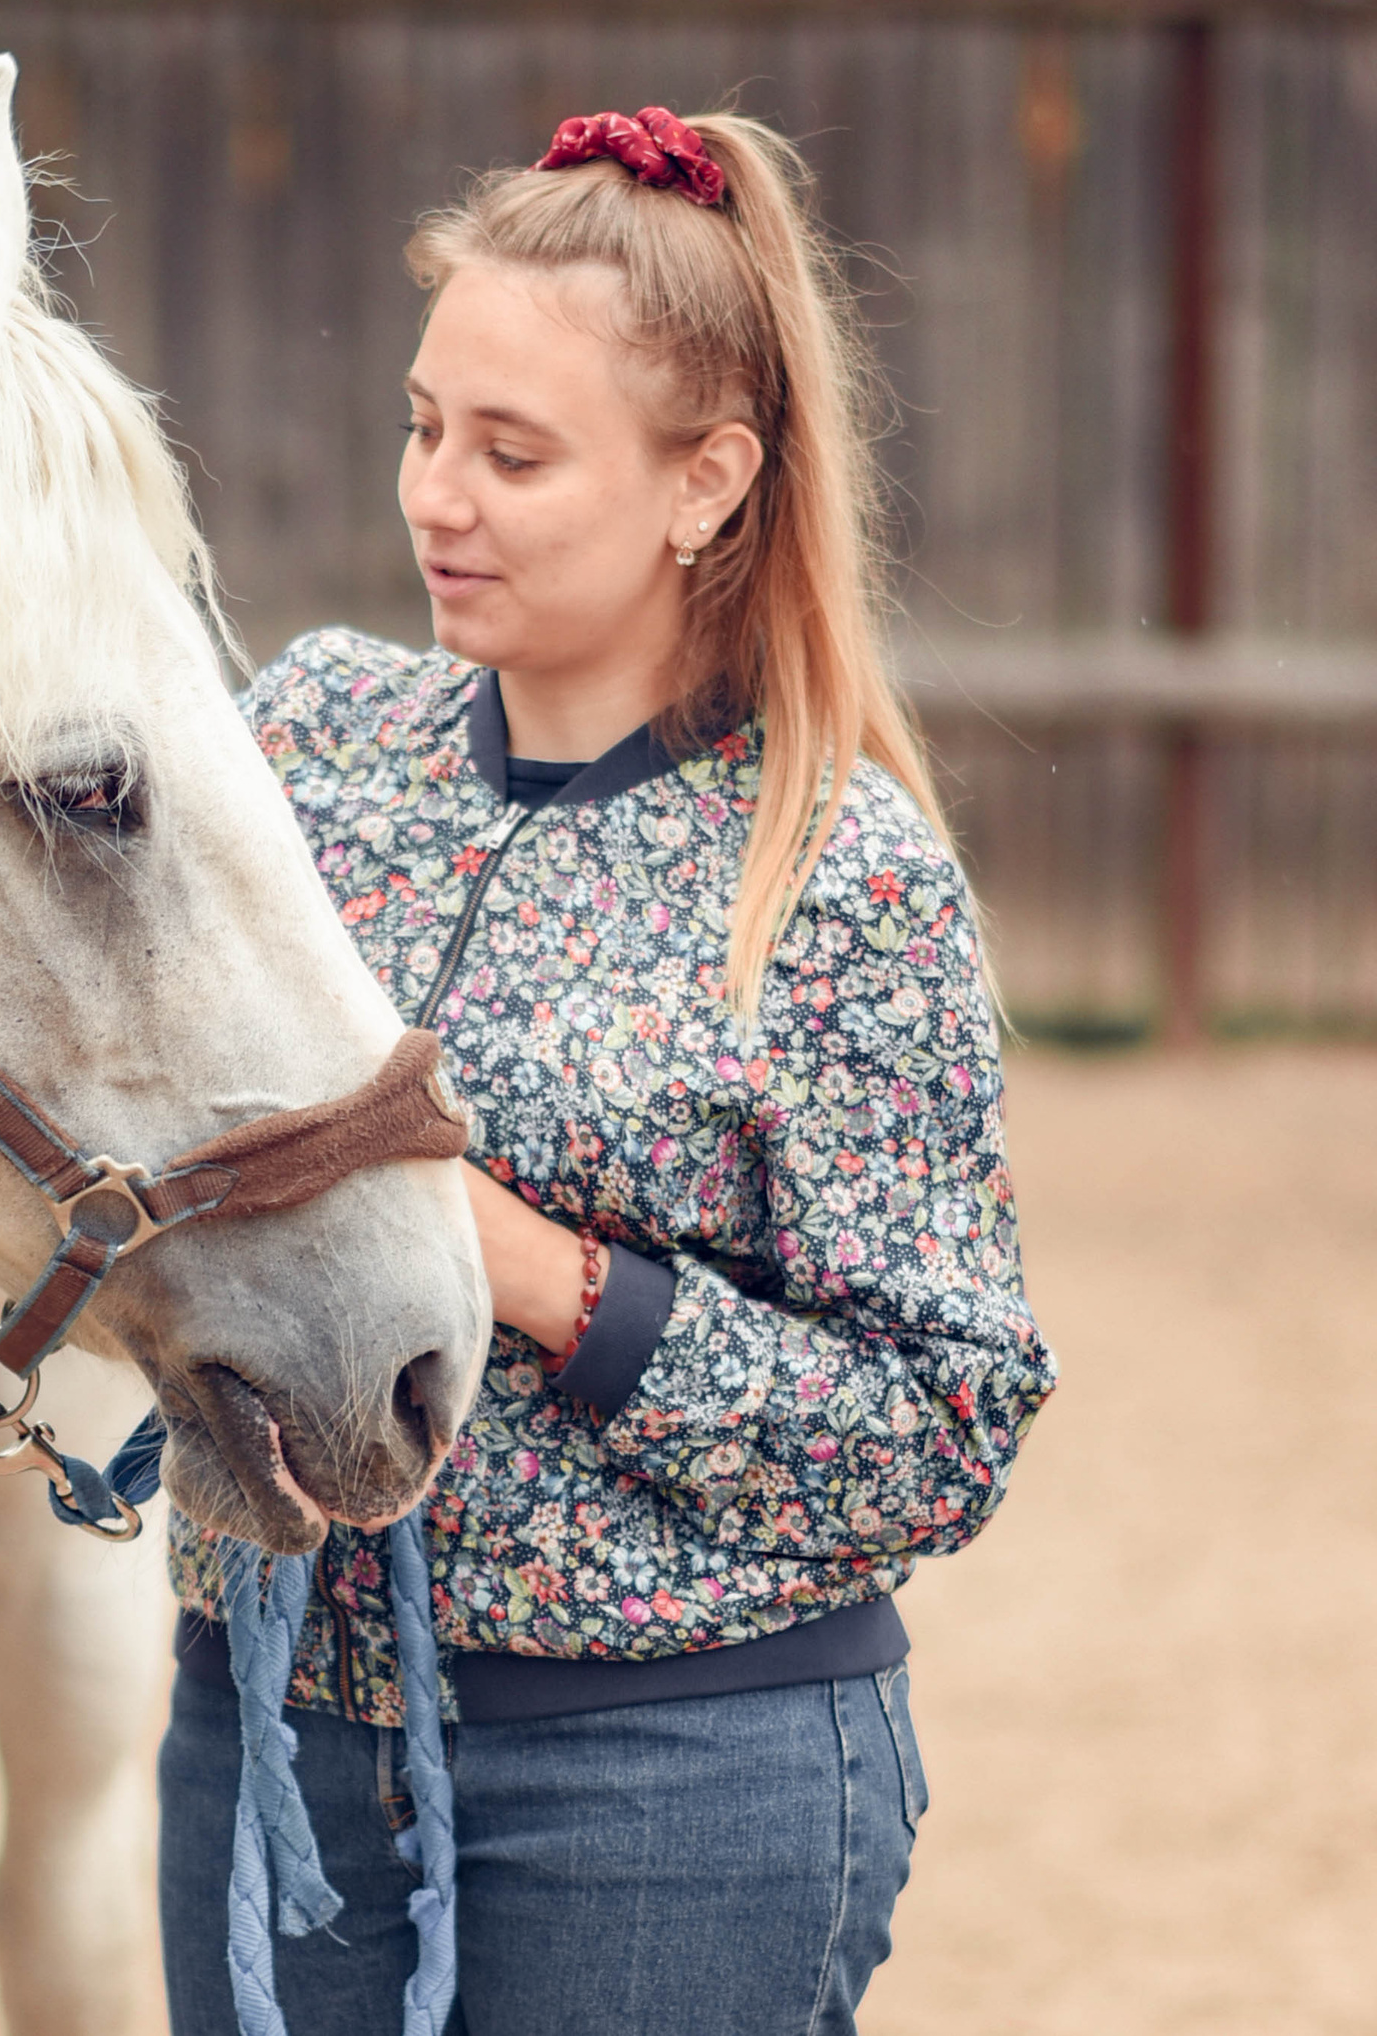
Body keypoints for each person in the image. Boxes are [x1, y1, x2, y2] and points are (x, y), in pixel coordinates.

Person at [158, 106, 1058, 2036]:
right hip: (270, 1742)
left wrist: (536, 1276)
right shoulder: (308, 749)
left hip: (672, 1786)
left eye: (514, 453)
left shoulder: (837, 877)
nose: (437, 498)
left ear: (704, 483)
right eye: (424, 426)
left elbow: (938, 1426)